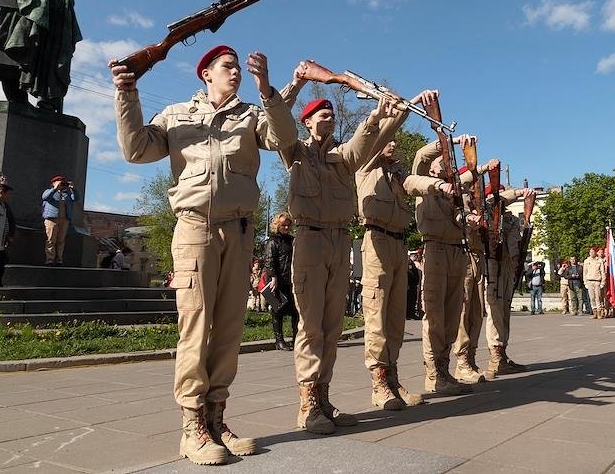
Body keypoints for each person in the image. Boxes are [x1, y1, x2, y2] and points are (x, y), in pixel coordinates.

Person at [111, 44, 297, 464]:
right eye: (227, 67)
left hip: (241, 230)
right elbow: (136, 149)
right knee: (196, 326)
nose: (235, 72)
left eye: (237, 67)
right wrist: (127, 95)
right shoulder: (177, 116)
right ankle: (191, 425)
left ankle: (216, 418)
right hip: (195, 229)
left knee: (230, 327)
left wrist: (268, 89)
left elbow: (285, 138)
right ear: (206, 74)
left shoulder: (251, 114)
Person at [277, 62, 400, 434]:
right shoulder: (294, 151)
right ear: (308, 121)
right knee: (311, 326)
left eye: (331, 111)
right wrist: (295, 84)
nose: (329, 115)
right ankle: (307, 405)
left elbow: (363, 143)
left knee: (332, 326)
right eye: (322, 112)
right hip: (309, 240)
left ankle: (324, 400)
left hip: (339, 240)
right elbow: (277, 122)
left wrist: (378, 113)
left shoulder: (342, 156)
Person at [354, 90, 448, 411]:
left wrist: (439, 185)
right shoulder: (366, 163)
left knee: (395, 317)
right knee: (377, 314)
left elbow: (414, 183)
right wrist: (407, 107)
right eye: (390, 141)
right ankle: (378, 382)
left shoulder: (395, 174)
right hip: (376, 240)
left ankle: (393, 378)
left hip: (397, 243)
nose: (394, 144)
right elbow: (385, 133)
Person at [411, 135, 481, 395]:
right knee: (435, 315)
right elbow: (420, 156)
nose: (447, 164)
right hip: (435, 248)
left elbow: (456, 212)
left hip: (456, 250)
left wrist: (468, 219)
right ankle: (434, 374)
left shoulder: (452, 190)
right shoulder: (422, 181)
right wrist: (446, 142)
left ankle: (444, 369)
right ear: (432, 167)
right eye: (442, 162)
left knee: (452, 314)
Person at [453, 157, 500, 385]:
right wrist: (468, 219)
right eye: (473, 180)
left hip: (477, 256)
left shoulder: (477, 200)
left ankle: (470, 358)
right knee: (462, 312)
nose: (476, 185)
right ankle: (461, 362)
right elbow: (456, 215)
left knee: (476, 311)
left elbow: (502, 197)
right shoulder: (457, 195)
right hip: (463, 256)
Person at [483, 185, 535, 378]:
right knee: (495, 310)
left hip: (507, 265)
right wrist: (518, 193)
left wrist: (516, 261)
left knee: (504, 310)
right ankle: (495, 356)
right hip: (492, 263)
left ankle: (502, 353)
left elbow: (515, 243)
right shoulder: (486, 211)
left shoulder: (511, 219)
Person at [262, 212, 298, 351]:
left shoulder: (291, 240)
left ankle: (296, 339)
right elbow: (269, 260)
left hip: (292, 279)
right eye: (284, 225)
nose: (287, 227)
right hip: (277, 280)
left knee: (296, 311)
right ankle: (279, 340)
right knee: (278, 311)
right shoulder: (273, 241)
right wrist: (273, 277)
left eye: (289, 225)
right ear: (278, 225)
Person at [41, 175, 78, 265]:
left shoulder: (66, 194)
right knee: (51, 240)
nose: (62, 185)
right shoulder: (49, 191)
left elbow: (76, 198)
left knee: (61, 240)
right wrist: (54, 188)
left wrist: (73, 189)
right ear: (54, 183)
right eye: (60, 182)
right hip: (52, 219)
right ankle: (49, 260)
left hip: (64, 219)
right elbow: (45, 197)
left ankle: (59, 260)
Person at [583, 247, 606, 319]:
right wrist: (585, 282)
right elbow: (585, 272)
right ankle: (594, 312)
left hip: (597, 281)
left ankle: (599, 312)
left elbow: (603, 272)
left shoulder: (599, 261)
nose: (592, 253)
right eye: (591, 252)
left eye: (593, 252)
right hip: (589, 281)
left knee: (598, 297)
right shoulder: (586, 261)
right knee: (592, 298)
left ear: (595, 253)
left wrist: (603, 282)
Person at [407, 250, 421, 320]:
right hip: (410, 285)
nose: (416, 256)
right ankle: (409, 314)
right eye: (414, 255)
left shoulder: (412, 263)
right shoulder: (409, 263)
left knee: (413, 300)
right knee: (410, 300)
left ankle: (411, 313)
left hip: (413, 285)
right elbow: (409, 274)